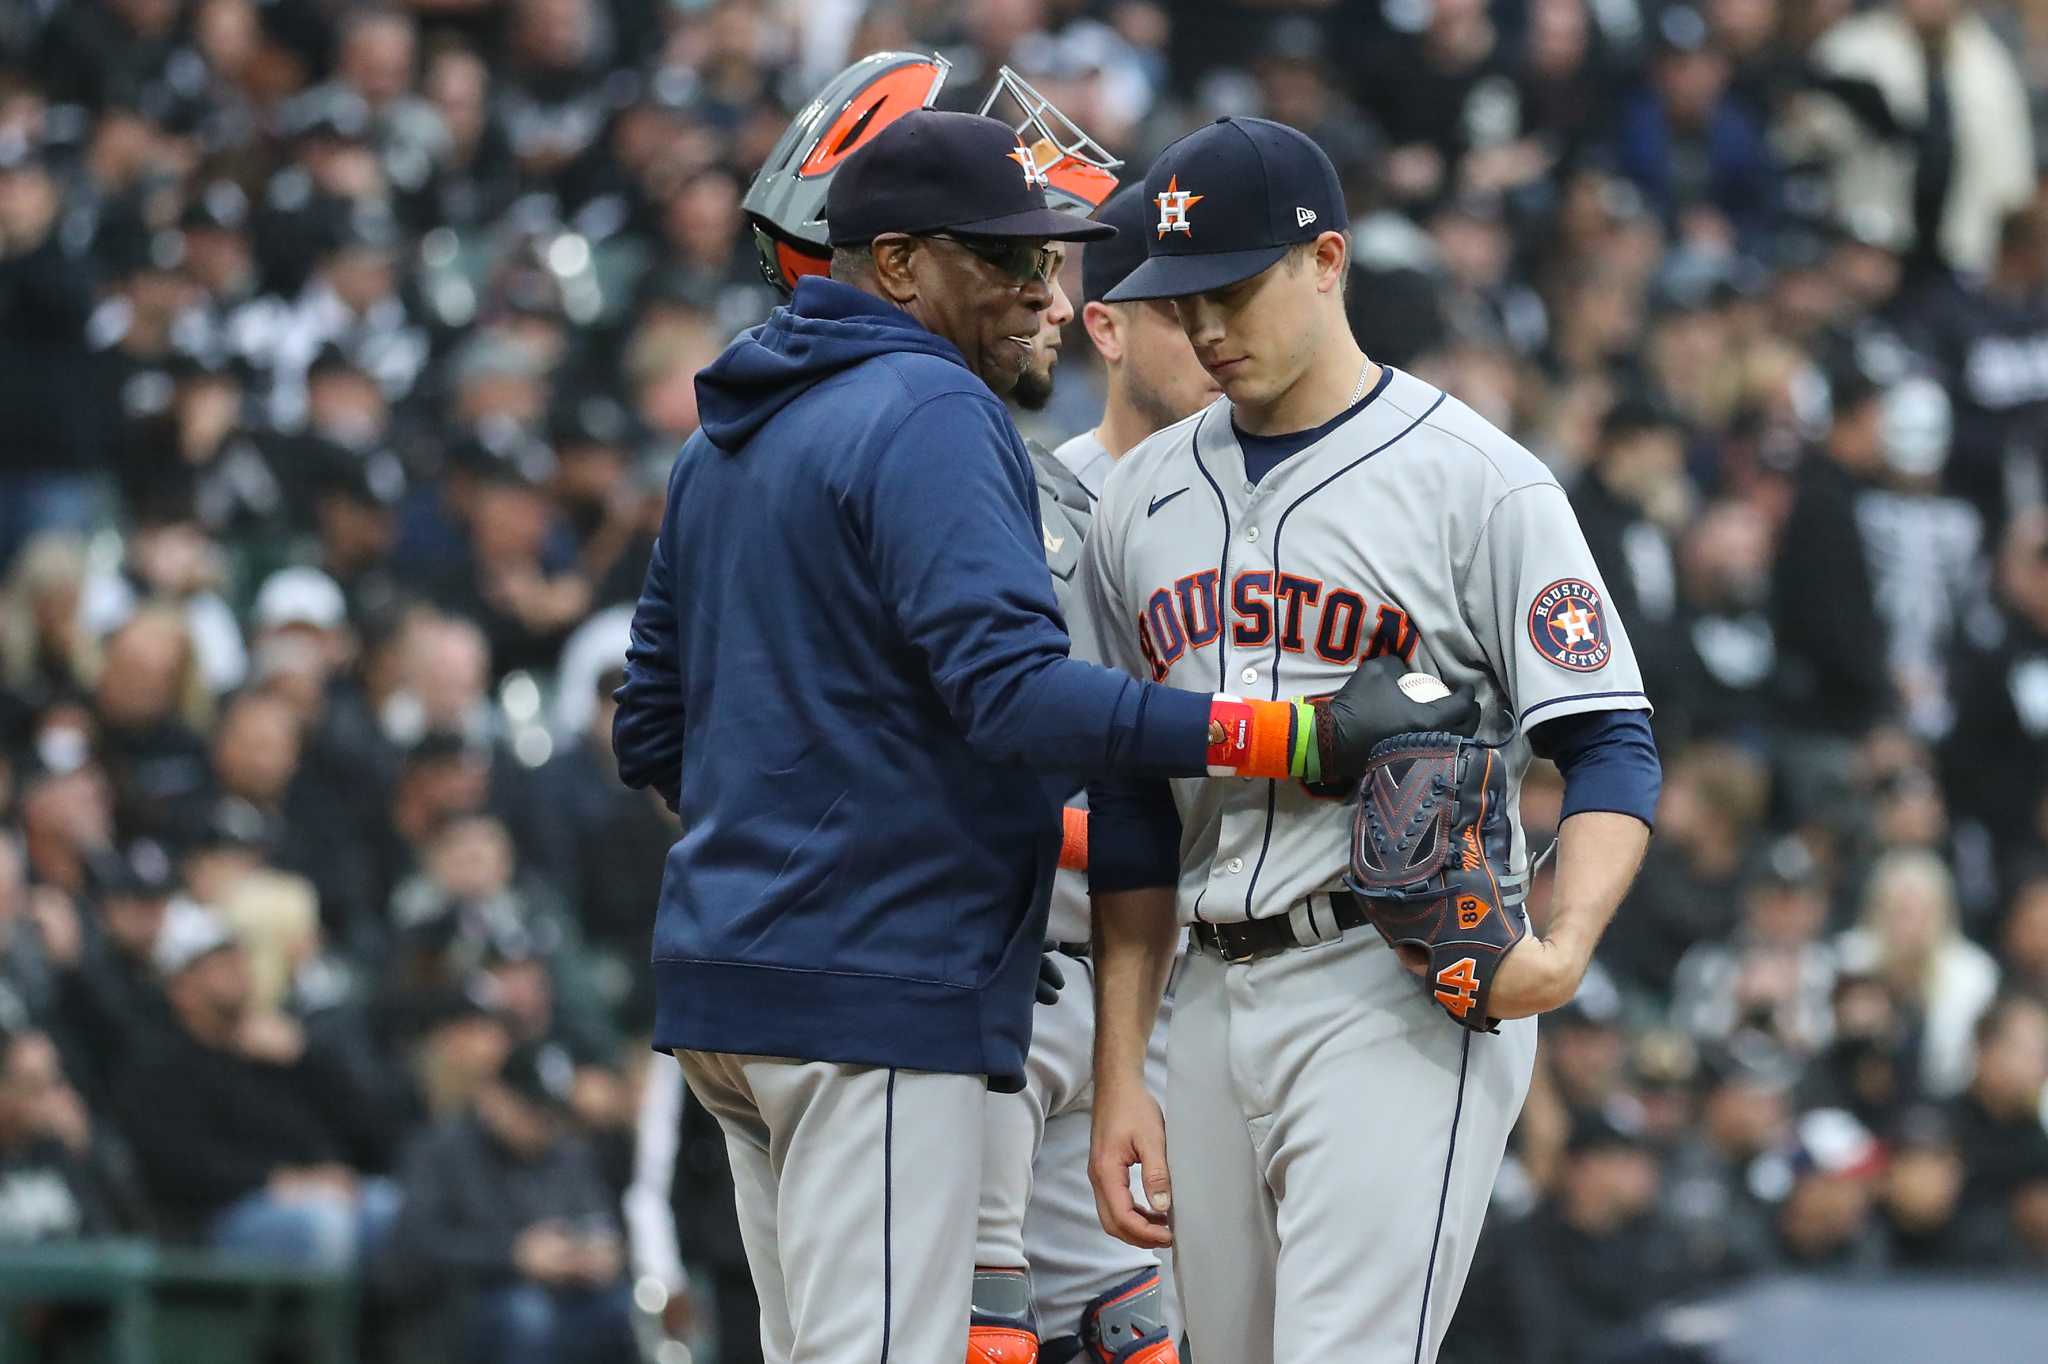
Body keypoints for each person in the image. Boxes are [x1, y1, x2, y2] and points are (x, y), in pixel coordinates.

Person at [611, 110, 1457, 1364]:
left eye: (1047, 259)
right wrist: (1293, 734)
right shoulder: (929, 408)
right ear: (896, 265)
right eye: (1003, 260)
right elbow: (1019, 696)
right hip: (878, 988)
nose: (1041, 290)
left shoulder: (730, 428)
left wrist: (811, 832)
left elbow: (651, 732)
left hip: (731, 994)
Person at [1071, 117, 1661, 1362]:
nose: (1207, 329)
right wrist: (1122, 1065)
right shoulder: (1139, 499)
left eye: (1234, 288)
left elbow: (1606, 735)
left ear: (1326, 259)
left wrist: (1562, 942)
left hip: (1392, 981)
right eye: (1184, 302)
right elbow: (1129, 801)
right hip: (1208, 993)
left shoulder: (1475, 481)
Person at [112, 899, 397, 1269]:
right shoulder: (159, 1062)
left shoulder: (275, 1049)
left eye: (238, 957)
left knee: (397, 1209)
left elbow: (369, 1136)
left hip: (307, 1194)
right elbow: (178, 1168)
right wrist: (281, 1181)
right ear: (181, 987)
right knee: (322, 1222)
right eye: (219, 963)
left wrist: (305, 1058)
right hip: (214, 1220)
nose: (237, 970)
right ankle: (312, 1329)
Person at [384, 1038, 637, 1364]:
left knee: (623, 1307)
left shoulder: (568, 1153)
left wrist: (599, 1254)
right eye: (532, 1111)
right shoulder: (439, 1150)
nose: (544, 1125)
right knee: (527, 1314)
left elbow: (601, 1221)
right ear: (494, 1097)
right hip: (466, 1304)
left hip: (565, 1299)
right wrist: (513, 1255)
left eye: (553, 1114)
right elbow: (413, 1244)